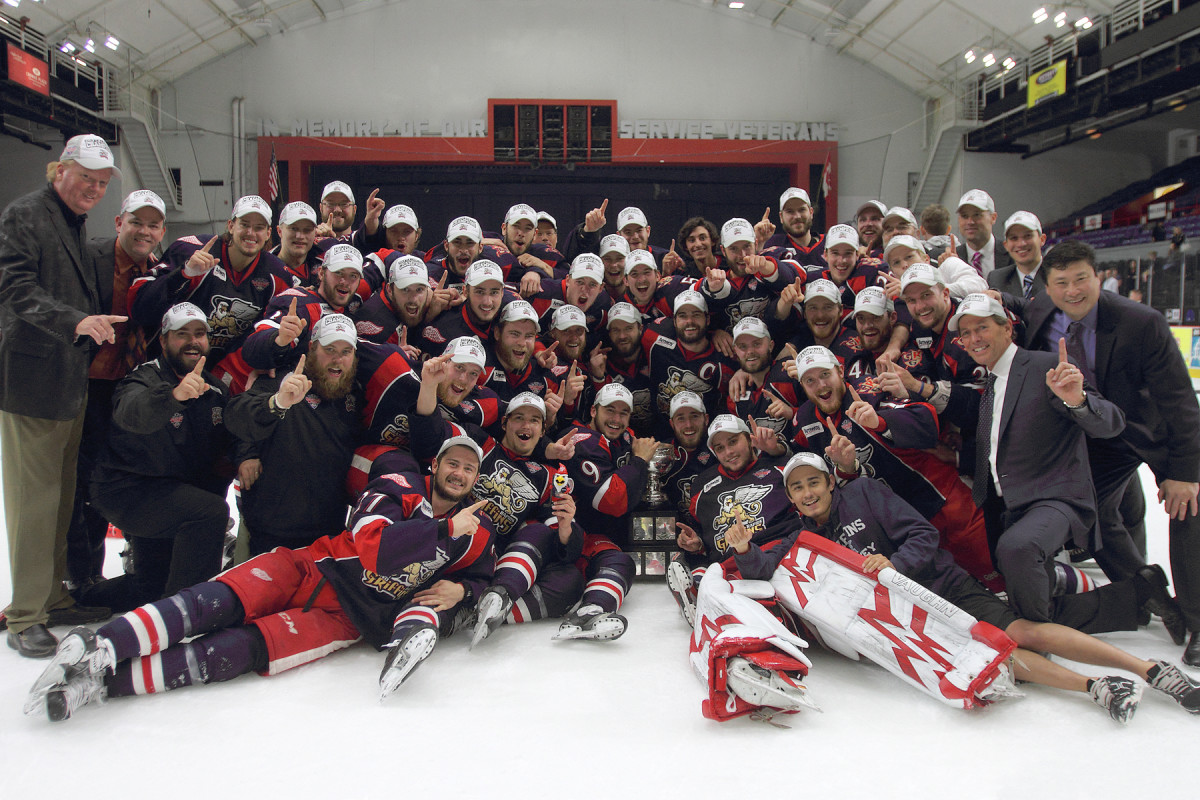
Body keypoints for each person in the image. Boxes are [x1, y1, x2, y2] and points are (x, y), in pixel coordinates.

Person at [25, 436, 497, 721]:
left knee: (236, 652)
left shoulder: (473, 534)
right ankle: (101, 646)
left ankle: (102, 685)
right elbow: (374, 550)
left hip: (347, 619)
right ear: (436, 465)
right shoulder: (398, 487)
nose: (459, 473)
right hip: (309, 568)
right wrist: (442, 529)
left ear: (476, 478)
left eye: (469, 468)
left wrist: (466, 588)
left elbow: (484, 574)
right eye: (452, 463)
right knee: (214, 601)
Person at [731, 452, 1200, 722]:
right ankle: (1097, 686)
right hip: (916, 626)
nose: (808, 492)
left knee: (1026, 631)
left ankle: (1148, 668)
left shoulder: (865, 493)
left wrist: (893, 564)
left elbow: (923, 535)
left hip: (944, 587)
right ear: (790, 498)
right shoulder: (804, 541)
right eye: (797, 488)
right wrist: (744, 549)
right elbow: (763, 569)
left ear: (831, 482)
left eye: (814, 482)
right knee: (1001, 662)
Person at [953, 293, 1183, 637]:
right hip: (1008, 506)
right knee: (1025, 593)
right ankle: (1134, 595)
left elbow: (1112, 422)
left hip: (1055, 499)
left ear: (1007, 329)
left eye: (982, 328)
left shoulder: (1045, 366)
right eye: (966, 333)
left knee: (1017, 549)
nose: (974, 339)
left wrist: (1078, 401)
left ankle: (1038, 642)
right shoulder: (988, 383)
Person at [1022, 240, 1200, 664]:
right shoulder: (1038, 312)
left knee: (1187, 507)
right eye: (1061, 282)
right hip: (1098, 434)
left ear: (1098, 277)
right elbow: (1015, 302)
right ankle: (1146, 586)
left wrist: (1185, 472)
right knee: (1087, 511)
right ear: (1046, 288)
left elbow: (1179, 399)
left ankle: (1198, 621)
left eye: (1082, 278)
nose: (1073, 291)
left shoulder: (1143, 322)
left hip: (1148, 430)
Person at [0, 134, 122, 656]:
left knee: (59, 497)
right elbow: (13, 288)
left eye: (100, 184)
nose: (93, 190)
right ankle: (25, 612)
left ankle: (52, 596)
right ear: (59, 171)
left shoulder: (71, 220)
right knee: (33, 502)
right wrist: (76, 321)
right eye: (86, 179)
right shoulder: (26, 215)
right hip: (33, 383)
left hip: (67, 384)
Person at [81, 302, 232, 614]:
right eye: (182, 334)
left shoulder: (216, 388)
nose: (193, 341)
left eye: (200, 334)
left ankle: (82, 598)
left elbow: (228, 442)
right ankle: (186, 614)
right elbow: (133, 414)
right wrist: (174, 396)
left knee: (149, 587)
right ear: (163, 341)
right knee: (211, 512)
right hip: (127, 491)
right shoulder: (143, 379)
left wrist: (247, 457)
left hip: (171, 495)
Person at [68, 190, 168, 595]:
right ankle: (82, 572)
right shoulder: (89, 258)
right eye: (136, 222)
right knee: (83, 484)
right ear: (118, 222)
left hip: (135, 389)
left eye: (152, 225)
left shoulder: (161, 271)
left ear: (162, 231)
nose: (144, 231)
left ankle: (134, 561)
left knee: (128, 477)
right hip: (87, 386)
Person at [224, 314, 363, 556]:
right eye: (329, 349)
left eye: (345, 351)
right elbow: (236, 416)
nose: (337, 359)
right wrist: (277, 404)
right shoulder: (281, 381)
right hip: (271, 531)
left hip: (328, 535)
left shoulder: (356, 396)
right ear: (311, 348)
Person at [953, 189, 1012, 278]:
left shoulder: (1012, 254)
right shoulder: (952, 259)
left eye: (977, 215)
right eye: (964, 216)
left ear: (993, 218)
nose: (970, 222)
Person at [988, 211, 1047, 299]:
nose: (1021, 244)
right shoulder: (997, 279)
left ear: (1042, 239)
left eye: (1028, 236)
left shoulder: (1056, 274)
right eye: (1014, 238)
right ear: (1006, 245)